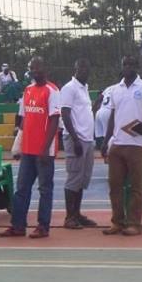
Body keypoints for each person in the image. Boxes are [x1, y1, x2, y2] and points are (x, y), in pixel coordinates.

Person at [102, 56, 142, 236]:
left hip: (137, 144)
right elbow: (113, 116)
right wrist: (105, 141)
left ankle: (134, 223)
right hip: (118, 143)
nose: (127, 67)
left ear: (137, 67)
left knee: (136, 186)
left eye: (131, 64)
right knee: (115, 185)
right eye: (125, 64)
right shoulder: (115, 89)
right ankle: (117, 222)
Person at [2, 57, 60, 239]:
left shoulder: (52, 90)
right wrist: (18, 146)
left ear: (45, 68)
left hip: (44, 150)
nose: (35, 71)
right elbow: (23, 120)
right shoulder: (27, 90)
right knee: (22, 188)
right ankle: (18, 226)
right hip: (27, 149)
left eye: (38, 67)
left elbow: (54, 121)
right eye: (31, 68)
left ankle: (43, 226)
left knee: (44, 189)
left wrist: (45, 148)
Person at [60, 59, 98, 230]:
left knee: (82, 179)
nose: (83, 70)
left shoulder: (84, 88)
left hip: (88, 139)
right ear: (75, 69)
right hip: (76, 139)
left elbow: (86, 112)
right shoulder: (69, 88)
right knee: (74, 177)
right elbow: (65, 114)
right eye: (80, 67)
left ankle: (77, 213)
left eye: (86, 67)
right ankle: (69, 216)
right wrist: (75, 139)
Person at [94, 82, 115, 150]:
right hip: (108, 112)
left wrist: (93, 110)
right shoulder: (121, 88)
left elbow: (99, 98)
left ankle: (103, 153)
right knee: (109, 135)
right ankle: (108, 154)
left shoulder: (109, 87)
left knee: (100, 136)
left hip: (99, 112)